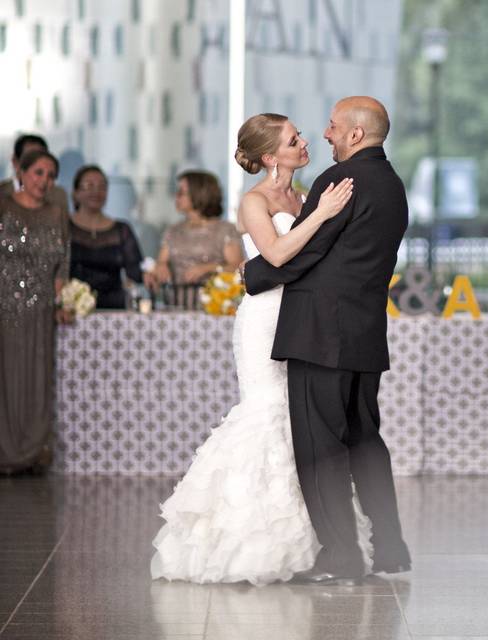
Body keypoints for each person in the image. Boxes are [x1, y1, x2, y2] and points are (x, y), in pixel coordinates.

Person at [151, 114, 356, 585]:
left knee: (301, 419)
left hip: (303, 317)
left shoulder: (305, 197)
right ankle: (250, 540)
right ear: (269, 156)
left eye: (301, 135)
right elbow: (278, 255)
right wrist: (322, 214)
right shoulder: (254, 201)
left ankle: (311, 538)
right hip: (264, 320)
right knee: (267, 411)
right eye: (293, 139)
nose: (305, 142)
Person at [243, 96, 412, 584]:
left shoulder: (339, 181)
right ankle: (390, 546)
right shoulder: (394, 186)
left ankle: (340, 556)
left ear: (356, 135)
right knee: (364, 441)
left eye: (334, 126)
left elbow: (304, 254)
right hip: (364, 331)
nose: (326, 134)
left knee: (320, 449)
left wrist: (250, 273)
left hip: (319, 333)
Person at [0, 150, 71, 475]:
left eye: (51, 175)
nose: (44, 181)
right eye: (39, 173)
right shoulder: (4, 206)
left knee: (35, 376)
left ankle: (30, 450)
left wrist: (61, 301)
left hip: (40, 309)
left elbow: (62, 266)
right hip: (4, 306)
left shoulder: (57, 214)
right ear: (22, 173)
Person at [144, 171, 243, 287]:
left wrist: (207, 268)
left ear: (199, 194)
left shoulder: (225, 230)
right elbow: (161, 262)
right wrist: (158, 268)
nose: (176, 196)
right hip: (175, 301)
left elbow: (237, 267)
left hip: (214, 302)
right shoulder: (173, 231)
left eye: (181, 192)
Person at [69, 165, 145, 309]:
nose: (96, 192)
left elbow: (136, 271)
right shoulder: (64, 228)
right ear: (76, 193)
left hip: (113, 310)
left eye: (102, 186)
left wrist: (154, 272)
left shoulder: (122, 229)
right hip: (71, 311)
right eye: (89, 186)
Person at [0, 134, 69, 214]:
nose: (37, 163)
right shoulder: (2, 192)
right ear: (15, 162)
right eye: (29, 159)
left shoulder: (58, 195)